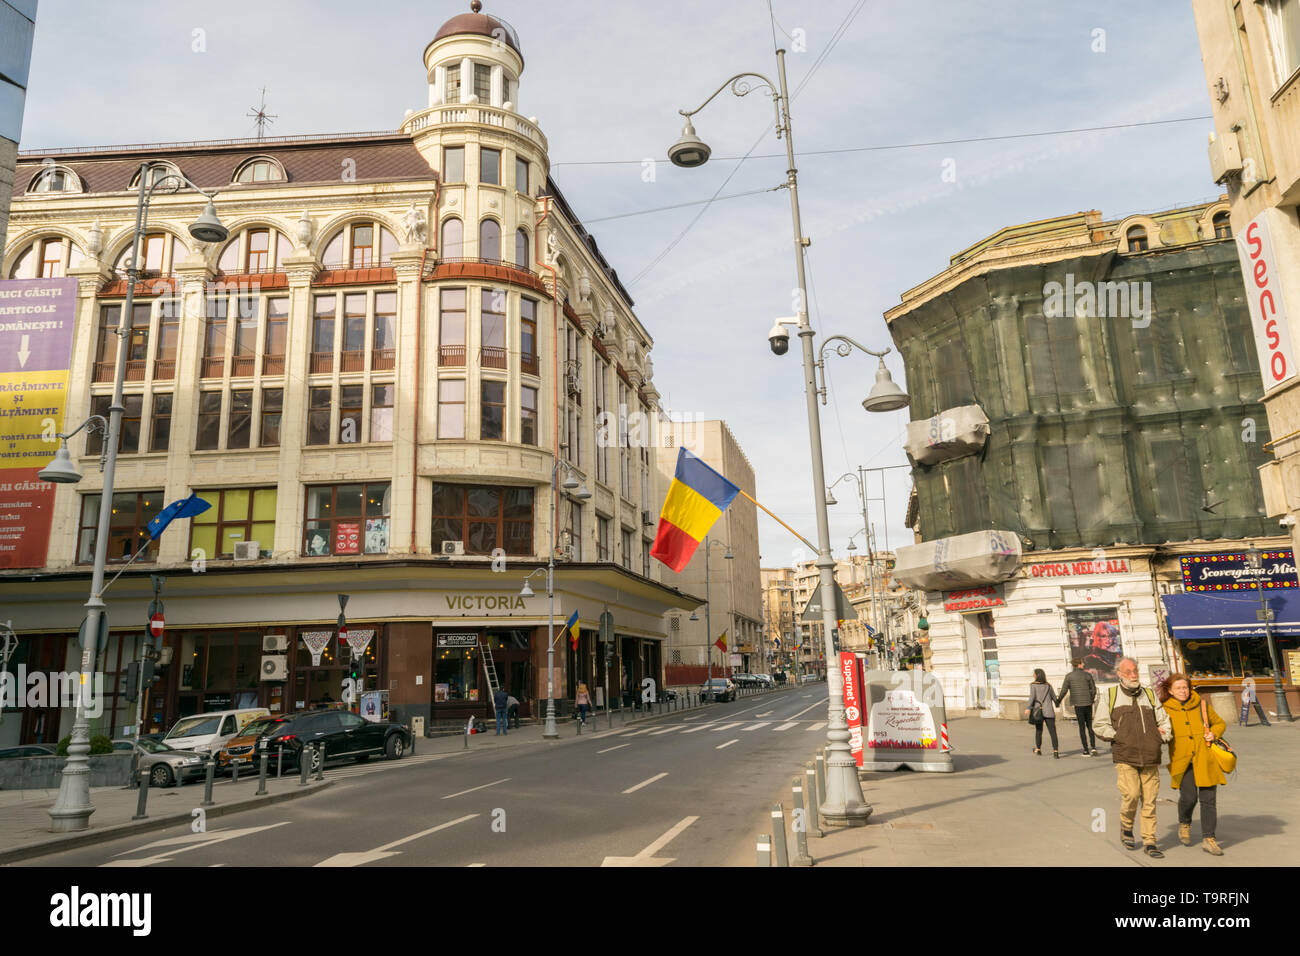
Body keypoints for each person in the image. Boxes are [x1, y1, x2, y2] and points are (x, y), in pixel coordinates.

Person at [1094, 657, 1172, 858]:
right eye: (1128, 671)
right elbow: (1099, 724)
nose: (1133, 674)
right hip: (1125, 755)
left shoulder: (1149, 694)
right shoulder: (1110, 695)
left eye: (1135, 670)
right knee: (1131, 795)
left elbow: (1164, 720)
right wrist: (1119, 737)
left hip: (1150, 755)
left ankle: (1150, 841)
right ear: (1119, 674)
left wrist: (1161, 737)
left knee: (1150, 800)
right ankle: (1127, 826)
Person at [1162, 673, 1227, 856]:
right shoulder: (1164, 709)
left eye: (1185, 687)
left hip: (1205, 758)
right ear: (1170, 691)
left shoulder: (1201, 705)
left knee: (1208, 799)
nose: (1183, 691)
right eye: (1178, 688)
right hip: (1182, 761)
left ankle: (1209, 839)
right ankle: (1184, 822)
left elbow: (1219, 723)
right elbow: (1159, 732)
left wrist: (1214, 733)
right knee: (1189, 797)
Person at [1058, 658, 1099, 756]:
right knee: (1090, 726)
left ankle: (1086, 750)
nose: (1084, 664)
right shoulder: (1087, 675)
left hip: (1078, 704)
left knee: (1081, 727)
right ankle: (1093, 748)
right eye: (1082, 663)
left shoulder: (1069, 676)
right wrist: (1091, 699)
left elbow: (1064, 690)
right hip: (1088, 704)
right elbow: (1093, 689)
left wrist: (1058, 701)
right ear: (1079, 664)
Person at [1024, 668, 1060, 758]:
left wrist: (1028, 708)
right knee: (1053, 732)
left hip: (1038, 711)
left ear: (1037, 675)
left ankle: (1038, 749)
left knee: (1039, 731)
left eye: (1034, 674)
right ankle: (1056, 752)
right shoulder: (1048, 686)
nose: (1033, 675)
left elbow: (1032, 697)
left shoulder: (1033, 685)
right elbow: (1054, 698)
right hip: (1049, 711)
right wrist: (1057, 703)